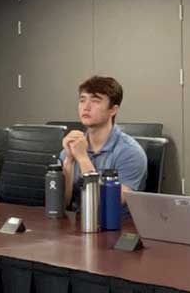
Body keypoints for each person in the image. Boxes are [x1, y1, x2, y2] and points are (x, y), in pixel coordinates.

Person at [60, 75, 147, 208]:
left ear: (113, 110)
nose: (86, 107)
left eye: (95, 101)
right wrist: (69, 161)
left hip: (117, 226)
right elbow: (61, 205)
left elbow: (110, 204)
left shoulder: (131, 153)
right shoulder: (74, 146)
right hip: (77, 224)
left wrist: (83, 159)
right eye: (82, 100)